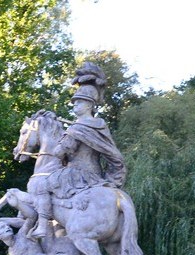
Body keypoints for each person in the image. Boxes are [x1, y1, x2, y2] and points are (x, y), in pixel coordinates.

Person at [28, 63, 125, 239]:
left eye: (78, 102)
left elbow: (60, 153)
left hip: (77, 174)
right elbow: (112, 154)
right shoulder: (99, 126)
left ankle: (42, 225)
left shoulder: (77, 128)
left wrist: (61, 140)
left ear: (89, 105)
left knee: (40, 185)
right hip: (96, 174)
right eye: (75, 102)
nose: (74, 105)